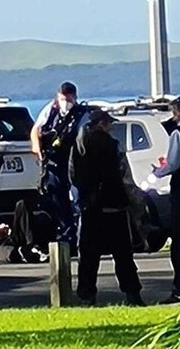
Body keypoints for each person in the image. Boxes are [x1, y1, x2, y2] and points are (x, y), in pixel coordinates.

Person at [69, 110, 145, 306]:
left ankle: (87, 295)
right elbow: (124, 175)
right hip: (114, 206)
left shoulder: (79, 146)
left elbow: (73, 176)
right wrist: (134, 204)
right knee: (123, 255)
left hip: (91, 208)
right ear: (101, 124)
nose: (111, 127)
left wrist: (86, 195)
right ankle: (132, 294)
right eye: (109, 123)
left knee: (88, 256)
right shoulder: (113, 146)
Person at [30, 81, 88, 255]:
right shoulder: (51, 109)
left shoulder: (82, 114)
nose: (65, 101)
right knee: (57, 200)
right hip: (55, 162)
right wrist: (38, 149)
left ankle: (81, 239)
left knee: (79, 201)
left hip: (75, 163)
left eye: (68, 98)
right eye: (62, 98)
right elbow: (36, 130)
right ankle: (66, 237)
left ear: (75, 97)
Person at [150, 97, 180, 304]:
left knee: (178, 243)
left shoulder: (177, 134)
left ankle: (178, 289)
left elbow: (173, 164)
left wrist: (158, 172)